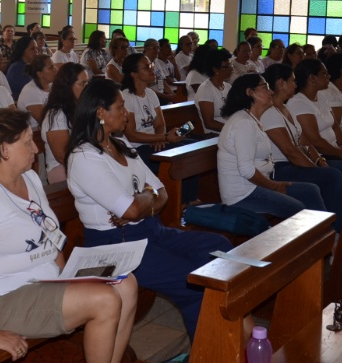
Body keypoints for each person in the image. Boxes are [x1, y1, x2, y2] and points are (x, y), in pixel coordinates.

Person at [0, 109, 138, 363]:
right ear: (4, 150)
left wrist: (67, 275)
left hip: (45, 281)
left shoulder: (30, 178)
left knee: (126, 283)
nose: (36, 149)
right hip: (4, 298)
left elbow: (49, 233)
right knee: (104, 300)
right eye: (27, 142)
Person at [67, 78, 230, 342]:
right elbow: (133, 209)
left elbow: (161, 192)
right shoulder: (84, 158)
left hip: (151, 231)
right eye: (120, 107)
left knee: (217, 247)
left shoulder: (121, 144)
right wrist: (144, 197)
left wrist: (143, 201)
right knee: (193, 282)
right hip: (114, 247)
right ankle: (209, 351)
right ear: (100, 112)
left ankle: (221, 340)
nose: (126, 113)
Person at [218, 74, 326, 220]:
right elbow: (246, 170)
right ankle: (315, 238)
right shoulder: (243, 123)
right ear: (250, 93)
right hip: (243, 195)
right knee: (298, 208)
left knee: (311, 190)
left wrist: (272, 184)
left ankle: (324, 233)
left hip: (259, 186)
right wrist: (273, 186)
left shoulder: (251, 119)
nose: (271, 92)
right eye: (266, 87)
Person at [262, 64, 342, 230]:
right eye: (292, 81)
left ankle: (341, 223)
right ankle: (334, 230)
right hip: (279, 168)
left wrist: (320, 159)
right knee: (331, 175)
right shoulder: (269, 112)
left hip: (292, 163)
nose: (296, 85)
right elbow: (290, 151)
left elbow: (304, 140)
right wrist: (315, 168)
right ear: (281, 83)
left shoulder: (285, 107)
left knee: (340, 168)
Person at [288, 59, 342, 173]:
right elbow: (316, 141)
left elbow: (336, 126)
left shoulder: (321, 96)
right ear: (312, 78)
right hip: (322, 154)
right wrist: (341, 153)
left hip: (337, 151)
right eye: (324, 73)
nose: (328, 76)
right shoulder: (298, 103)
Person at [120, 54, 187, 172]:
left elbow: (160, 125)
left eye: (151, 65)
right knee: (181, 158)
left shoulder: (151, 93)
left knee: (189, 148)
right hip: (137, 148)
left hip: (154, 143)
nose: (153, 70)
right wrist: (163, 137)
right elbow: (131, 135)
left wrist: (160, 139)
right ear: (133, 74)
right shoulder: (126, 97)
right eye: (147, 67)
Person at [40, 63, 88, 184]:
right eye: (82, 84)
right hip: (61, 168)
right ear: (68, 86)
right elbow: (62, 155)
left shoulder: (82, 107)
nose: (86, 88)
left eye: (87, 83)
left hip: (85, 160)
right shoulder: (56, 114)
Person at [195, 48, 233, 133]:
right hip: (214, 134)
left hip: (229, 131)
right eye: (227, 66)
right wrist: (233, 130)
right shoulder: (205, 89)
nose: (231, 69)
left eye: (231, 65)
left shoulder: (228, 87)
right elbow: (209, 123)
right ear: (215, 69)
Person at [17, 54, 55, 130]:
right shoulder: (30, 91)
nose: (56, 70)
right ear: (40, 74)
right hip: (35, 133)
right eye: (51, 68)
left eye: (54, 66)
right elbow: (44, 121)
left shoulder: (52, 85)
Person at [142, 39, 176, 104]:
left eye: (158, 48)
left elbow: (163, 82)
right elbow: (145, 87)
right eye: (154, 48)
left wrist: (172, 95)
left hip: (162, 94)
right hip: (150, 96)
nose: (157, 51)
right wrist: (166, 96)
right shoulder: (142, 63)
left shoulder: (156, 62)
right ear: (146, 49)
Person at [6, 36, 38, 100]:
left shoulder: (29, 65)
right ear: (23, 50)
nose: (36, 51)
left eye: (36, 48)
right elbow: (33, 89)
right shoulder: (17, 68)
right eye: (32, 49)